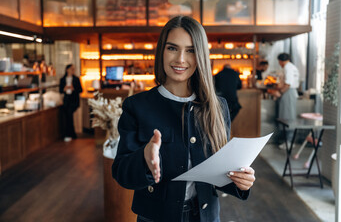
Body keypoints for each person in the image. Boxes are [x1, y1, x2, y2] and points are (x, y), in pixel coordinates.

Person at [112, 16, 255, 222]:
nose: (180, 59)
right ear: (161, 51)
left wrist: (241, 179)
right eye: (172, 48)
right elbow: (121, 173)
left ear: (201, 56)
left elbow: (220, 170)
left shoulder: (217, 106)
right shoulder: (137, 106)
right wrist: (144, 158)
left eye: (190, 50)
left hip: (205, 216)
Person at [269, 53, 299, 149]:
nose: (279, 63)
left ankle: (289, 141)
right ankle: (286, 140)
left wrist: (280, 93)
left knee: (287, 116)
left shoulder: (287, 68)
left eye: (279, 61)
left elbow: (288, 84)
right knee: (286, 115)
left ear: (281, 61)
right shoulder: (291, 67)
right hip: (290, 93)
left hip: (288, 93)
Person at [59, 64, 83, 142]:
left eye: (73, 69)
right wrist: (64, 89)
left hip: (74, 100)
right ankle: (71, 134)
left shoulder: (76, 79)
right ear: (67, 70)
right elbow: (60, 90)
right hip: (66, 100)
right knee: (67, 116)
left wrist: (73, 89)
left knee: (69, 114)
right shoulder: (62, 79)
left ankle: (68, 134)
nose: (73, 70)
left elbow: (80, 90)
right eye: (71, 69)